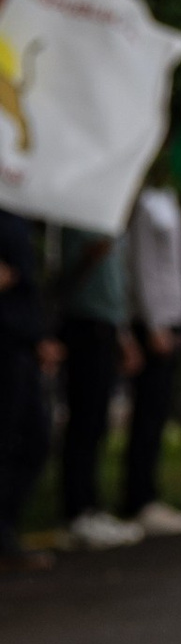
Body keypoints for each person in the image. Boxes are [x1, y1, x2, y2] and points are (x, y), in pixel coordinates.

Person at [55, 222, 143, 549]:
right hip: (84, 324)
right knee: (83, 418)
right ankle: (76, 510)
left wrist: (123, 332)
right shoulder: (76, 217)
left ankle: (91, 505)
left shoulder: (110, 218)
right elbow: (63, 277)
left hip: (107, 324)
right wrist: (90, 257)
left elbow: (115, 283)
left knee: (97, 421)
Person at [121, 180, 181, 534]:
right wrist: (153, 323)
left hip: (173, 321)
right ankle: (138, 497)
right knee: (148, 415)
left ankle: (149, 493)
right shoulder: (145, 204)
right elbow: (143, 264)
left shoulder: (168, 197)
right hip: (156, 326)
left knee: (160, 412)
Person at [0, 208, 57, 575]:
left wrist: (39, 337)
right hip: (4, 344)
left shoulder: (15, 213)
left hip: (21, 344)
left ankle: (6, 530)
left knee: (33, 440)